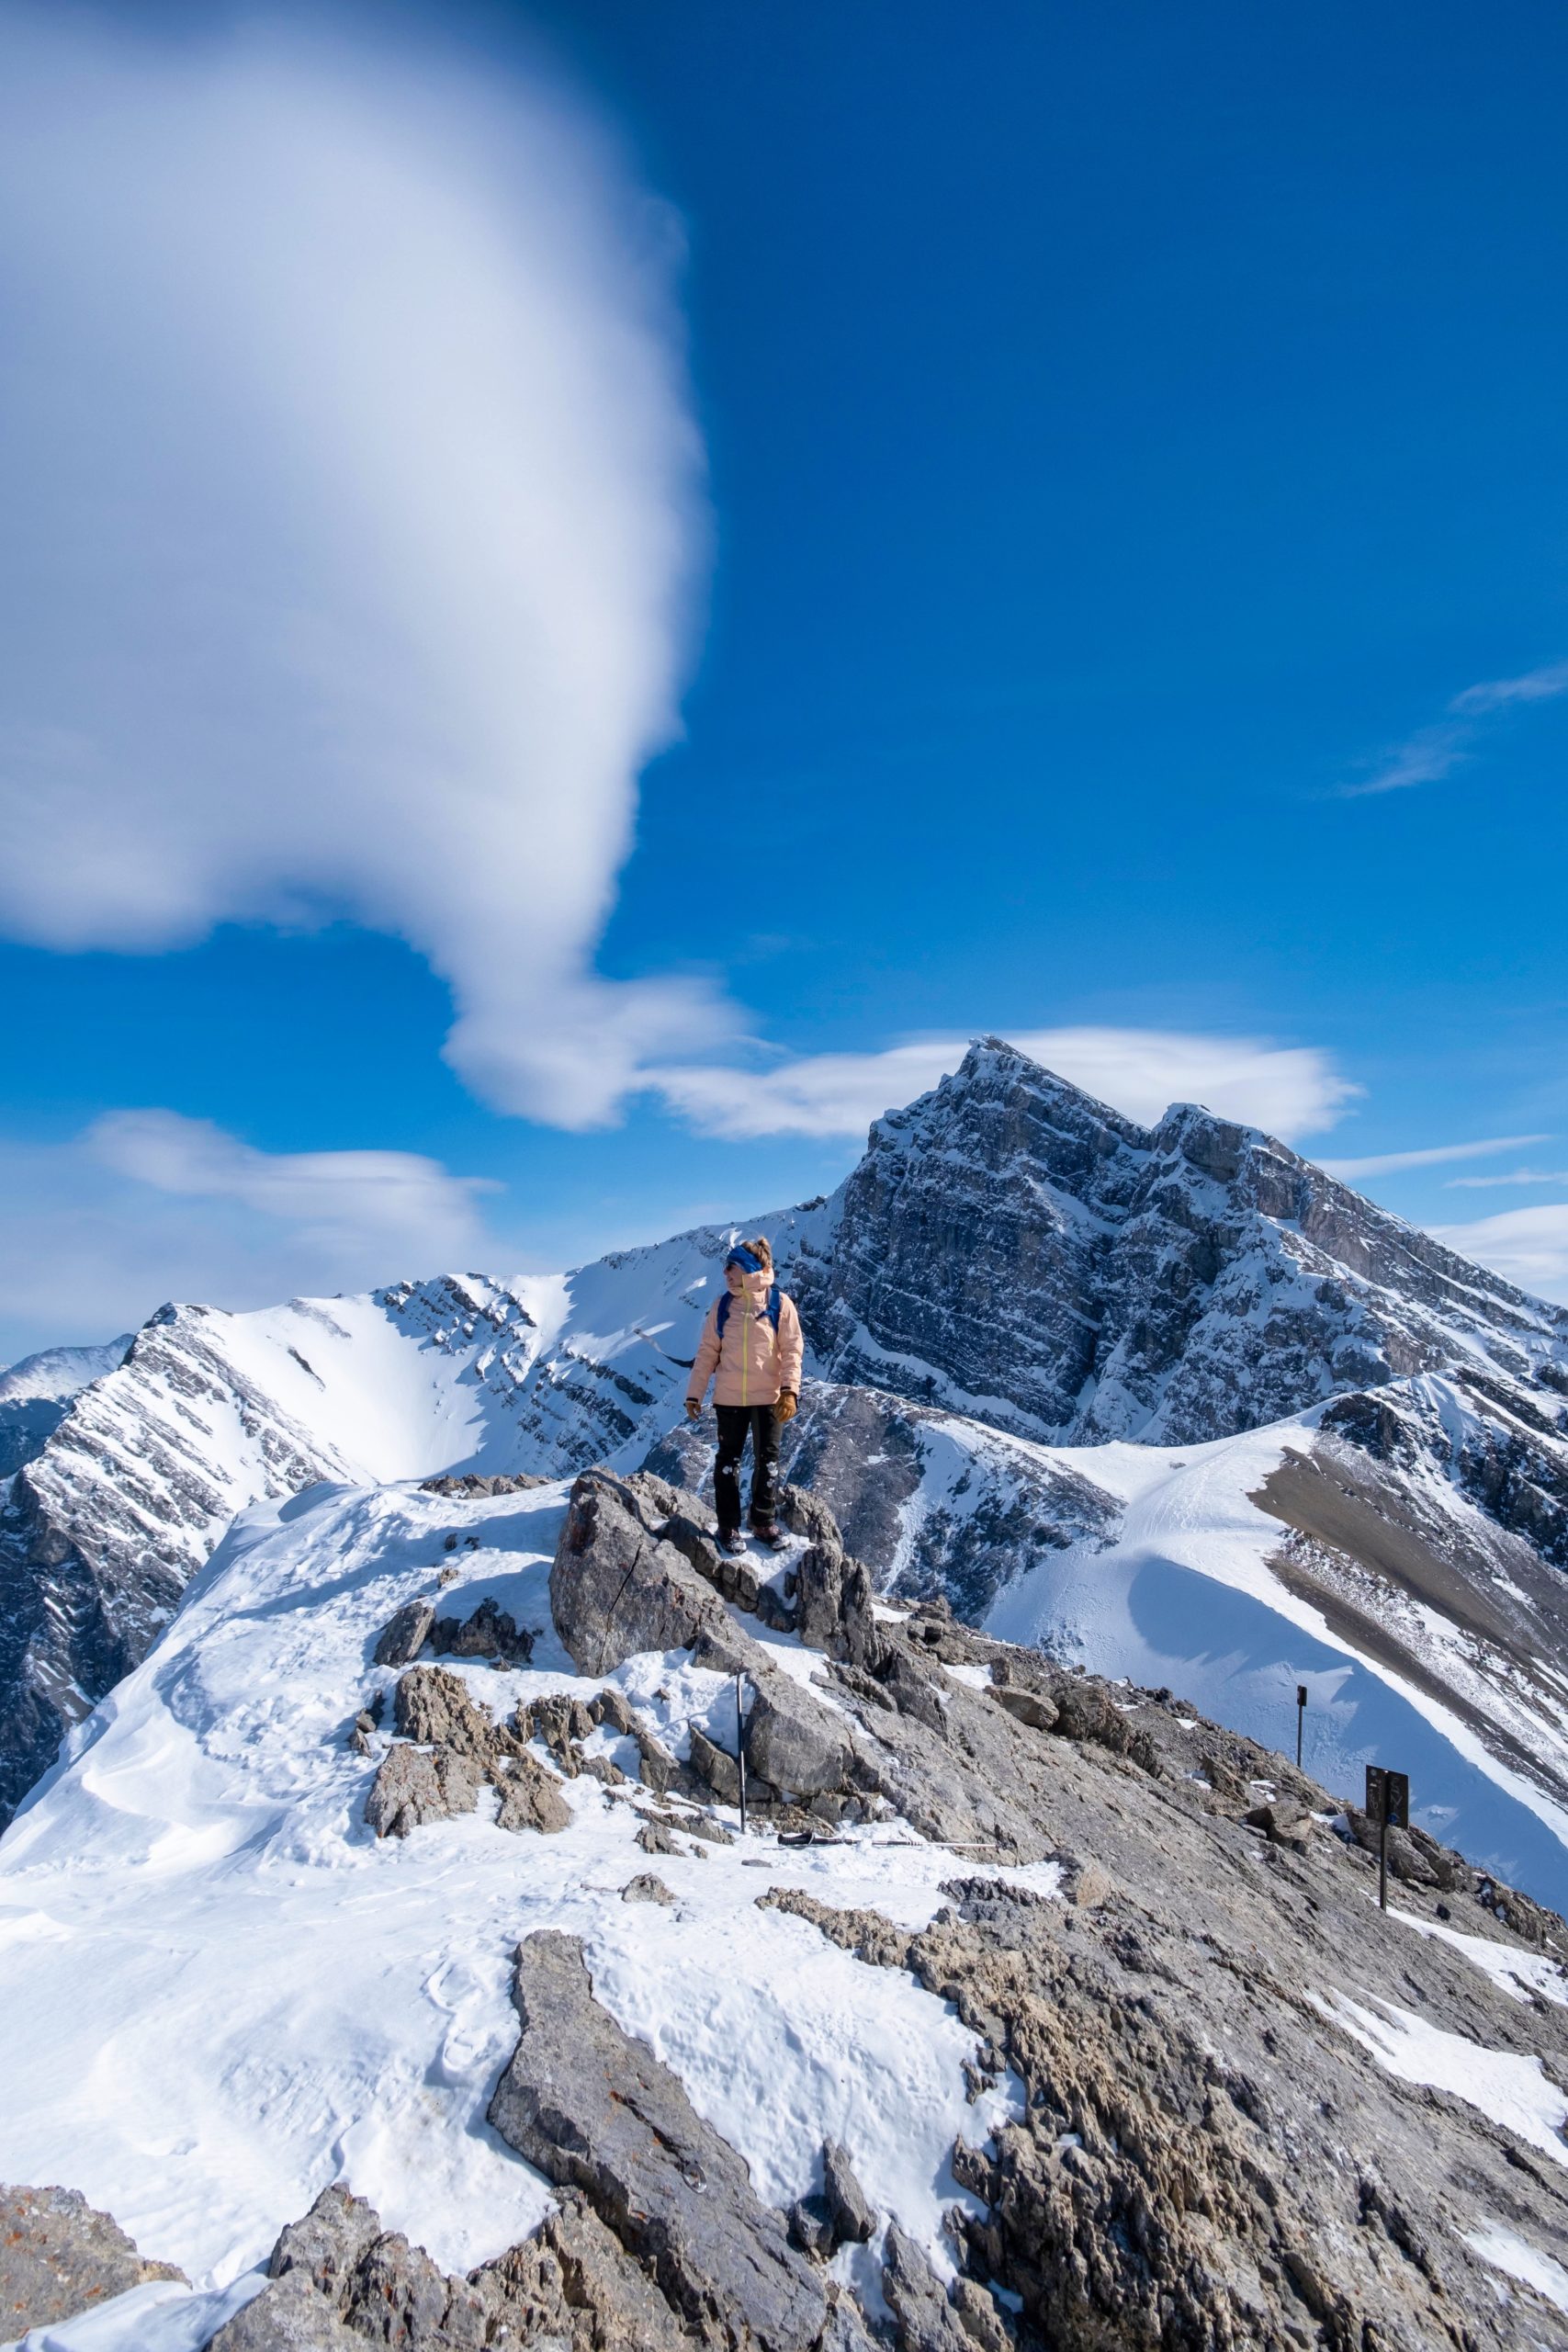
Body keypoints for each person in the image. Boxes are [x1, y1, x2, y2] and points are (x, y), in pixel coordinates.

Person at [684, 1237, 803, 1555]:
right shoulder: (723, 1306)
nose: (725, 1273)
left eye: (730, 1267)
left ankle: (763, 1522)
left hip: (769, 1398)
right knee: (728, 1463)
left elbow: (792, 1351)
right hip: (729, 1399)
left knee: (769, 1462)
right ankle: (728, 1527)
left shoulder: (780, 1304)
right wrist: (694, 1394)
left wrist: (790, 1392)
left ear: (749, 1270)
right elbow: (707, 1351)